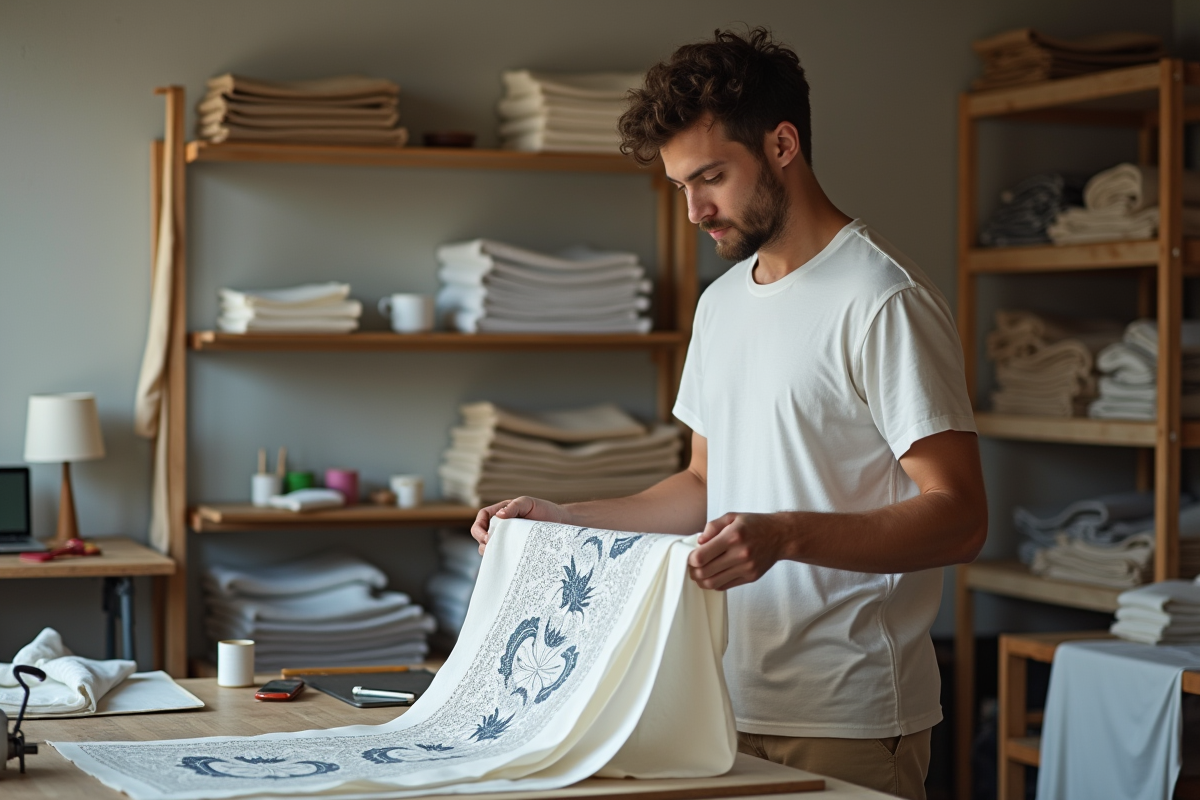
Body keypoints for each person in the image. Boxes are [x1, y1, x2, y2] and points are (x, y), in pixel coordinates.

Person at [470, 27, 986, 800]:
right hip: (723, 697)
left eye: (710, 177)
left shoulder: (883, 302)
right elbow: (700, 487)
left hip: (847, 712)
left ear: (783, 144)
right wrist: (561, 520)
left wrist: (784, 535)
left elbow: (961, 516)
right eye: (679, 186)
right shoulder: (720, 306)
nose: (693, 210)